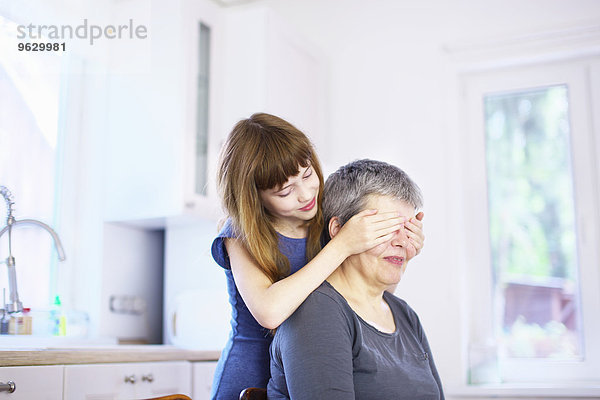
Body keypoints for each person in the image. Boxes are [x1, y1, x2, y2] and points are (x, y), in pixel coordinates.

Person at [211, 114, 425, 400]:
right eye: (285, 191)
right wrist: (342, 245)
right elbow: (269, 313)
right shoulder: (239, 234)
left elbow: (367, 293)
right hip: (250, 377)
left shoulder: (318, 217)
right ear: (255, 198)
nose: (305, 194)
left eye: (308, 174)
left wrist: (402, 253)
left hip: (314, 360)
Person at [268, 159, 444, 400]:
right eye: (385, 228)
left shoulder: (404, 315)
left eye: (408, 229)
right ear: (339, 230)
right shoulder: (317, 312)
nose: (402, 241)